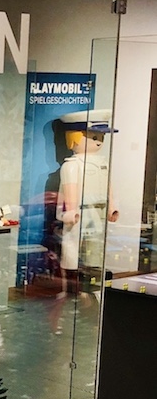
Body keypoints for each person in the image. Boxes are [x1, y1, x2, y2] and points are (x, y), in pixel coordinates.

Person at [56, 111, 119, 292]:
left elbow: (108, 186)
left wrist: (112, 206)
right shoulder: (72, 165)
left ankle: (89, 287)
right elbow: (70, 188)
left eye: (101, 137)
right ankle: (68, 288)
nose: (99, 141)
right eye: (93, 137)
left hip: (98, 210)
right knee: (71, 250)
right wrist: (71, 210)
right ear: (74, 137)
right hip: (80, 211)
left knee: (95, 249)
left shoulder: (102, 163)